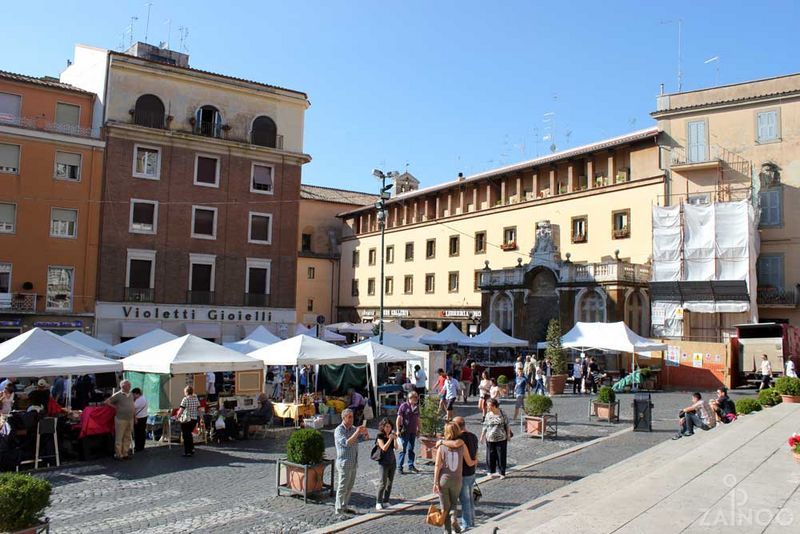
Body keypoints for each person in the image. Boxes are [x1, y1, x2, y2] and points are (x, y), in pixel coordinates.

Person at [433, 421, 476, 534]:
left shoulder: (441, 447)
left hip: (444, 479)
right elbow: (470, 462)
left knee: (444, 506)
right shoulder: (461, 445)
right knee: (454, 503)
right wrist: (476, 458)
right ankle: (454, 521)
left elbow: (437, 466)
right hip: (457, 479)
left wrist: (435, 483)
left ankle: (447, 531)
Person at [334, 408, 370, 515]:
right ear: (343, 418)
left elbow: (365, 439)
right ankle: (339, 509)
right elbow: (347, 443)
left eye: (352, 416)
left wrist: (365, 433)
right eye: (349, 417)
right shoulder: (339, 430)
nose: (352, 419)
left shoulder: (354, 428)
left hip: (353, 462)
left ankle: (344, 506)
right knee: (342, 486)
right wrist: (357, 432)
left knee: (349, 486)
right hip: (344, 463)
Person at [374, 417, 401, 510]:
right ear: (383, 427)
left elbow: (396, 448)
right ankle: (378, 502)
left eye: (389, 427)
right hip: (383, 462)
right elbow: (384, 448)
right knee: (382, 483)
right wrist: (390, 439)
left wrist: (394, 439)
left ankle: (386, 501)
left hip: (392, 461)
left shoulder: (391, 435)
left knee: (390, 482)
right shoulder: (379, 436)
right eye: (386, 426)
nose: (388, 428)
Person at [480, 398, 510, 478]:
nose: (487, 407)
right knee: (490, 455)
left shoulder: (502, 413)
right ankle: (490, 471)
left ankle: (502, 472)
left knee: (501, 456)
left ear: (494, 406)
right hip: (490, 438)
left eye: (488, 405)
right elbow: (485, 426)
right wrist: (482, 436)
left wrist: (508, 435)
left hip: (501, 438)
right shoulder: (488, 414)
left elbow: (507, 424)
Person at [106, 380, 135, 460]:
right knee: (119, 437)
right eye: (128, 385)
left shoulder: (131, 394)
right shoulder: (118, 395)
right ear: (123, 386)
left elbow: (132, 406)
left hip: (130, 419)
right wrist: (115, 407)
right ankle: (118, 454)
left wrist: (134, 417)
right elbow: (107, 401)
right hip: (121, 419)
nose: (130, 386)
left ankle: (125, 453)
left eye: (129, 385)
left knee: (127, 437)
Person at [396, 391, 420, 474]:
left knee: (411, 449)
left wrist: (419, 429)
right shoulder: (403, 406)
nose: (417, 399)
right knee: (403, 450)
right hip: (405, 431)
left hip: (413, 431)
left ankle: (411, 466)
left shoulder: (416, 407)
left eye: (417, 397)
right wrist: (397, 430)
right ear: (410, 398)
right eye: (415, 397)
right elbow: (399, 418)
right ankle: (399, 467)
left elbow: (418, 419)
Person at [176, 385, 200, 457]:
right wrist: (201, 418)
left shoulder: (185, 399)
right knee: (189, 434)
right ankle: (192, 449)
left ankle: (187, 451)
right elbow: (199, 409)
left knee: (186, 436)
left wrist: (178, 416)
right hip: (194, 419)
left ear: (186, 392)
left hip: (186, 420)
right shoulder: (196, 399)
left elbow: (181, 410)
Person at [132, 387, 148, 452]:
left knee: (138, 433)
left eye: (133, 395)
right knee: (141, 432)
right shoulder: (143, 398)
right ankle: (141, 446)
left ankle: (138, 447)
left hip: (139, 418)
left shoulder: (139, 400)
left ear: (137, 394)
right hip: (143, 416)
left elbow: (133, 407)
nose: (133, 396)